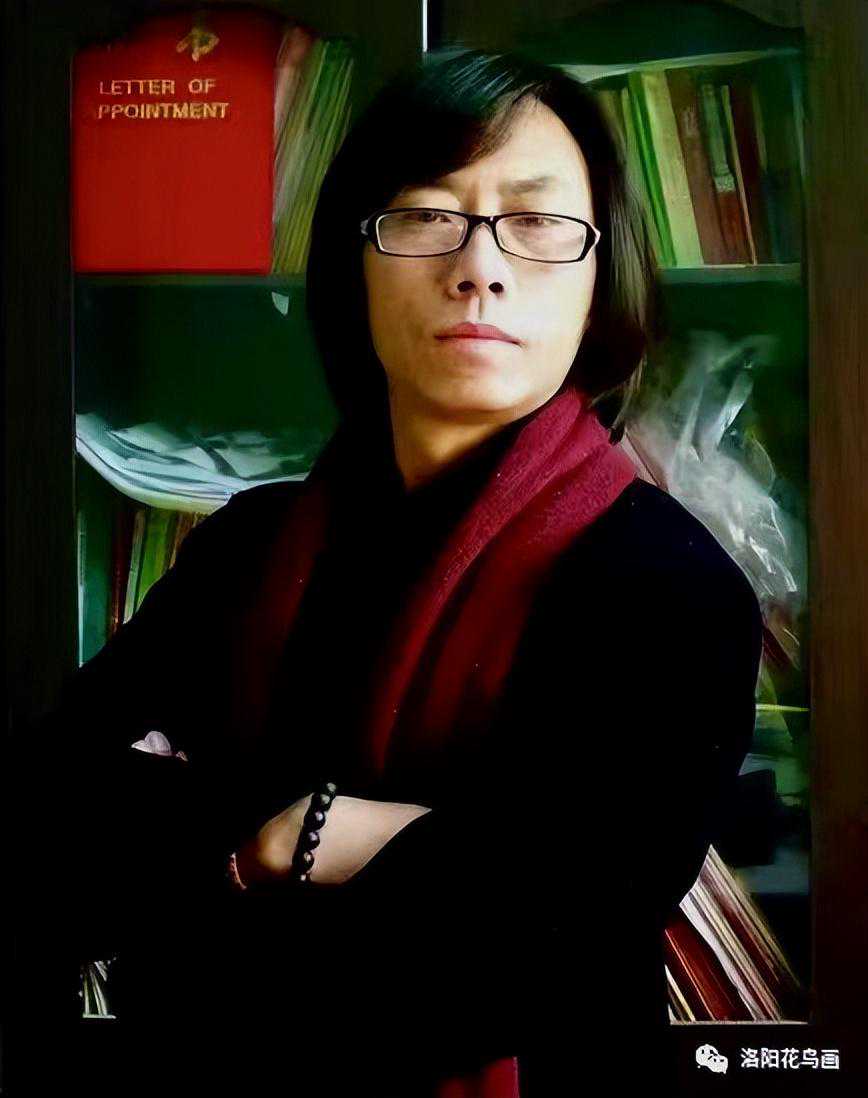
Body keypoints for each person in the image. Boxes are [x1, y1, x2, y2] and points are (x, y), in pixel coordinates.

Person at [20, 50, 763, 1097]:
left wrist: (255, 836)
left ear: (602, 277)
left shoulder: (668, 588)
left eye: (538, 221)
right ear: (355, 262)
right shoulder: (250, 546)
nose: (481, 267)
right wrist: (319, 842)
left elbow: (509, 967)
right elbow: (51, 844)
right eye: (425, 216)